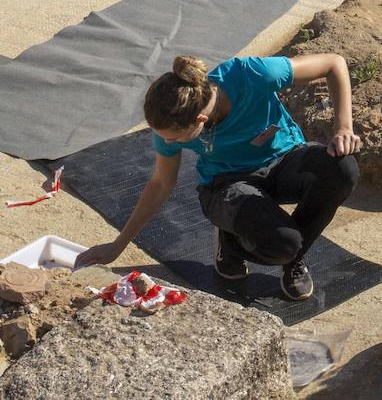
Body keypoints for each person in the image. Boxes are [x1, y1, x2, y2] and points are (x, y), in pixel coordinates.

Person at [74, 53, 361, 301]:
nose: (167, 143)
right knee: (283, 245)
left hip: (284, 159)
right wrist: (118, 244)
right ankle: (233, 242)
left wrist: (343, 127)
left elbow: (333, 63)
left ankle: (293, 259)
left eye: (174, 139)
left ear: (200, 120)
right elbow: (161, 183)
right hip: (226, 184)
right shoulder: (170, 130)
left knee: (342, 169)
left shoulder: (250, 74)